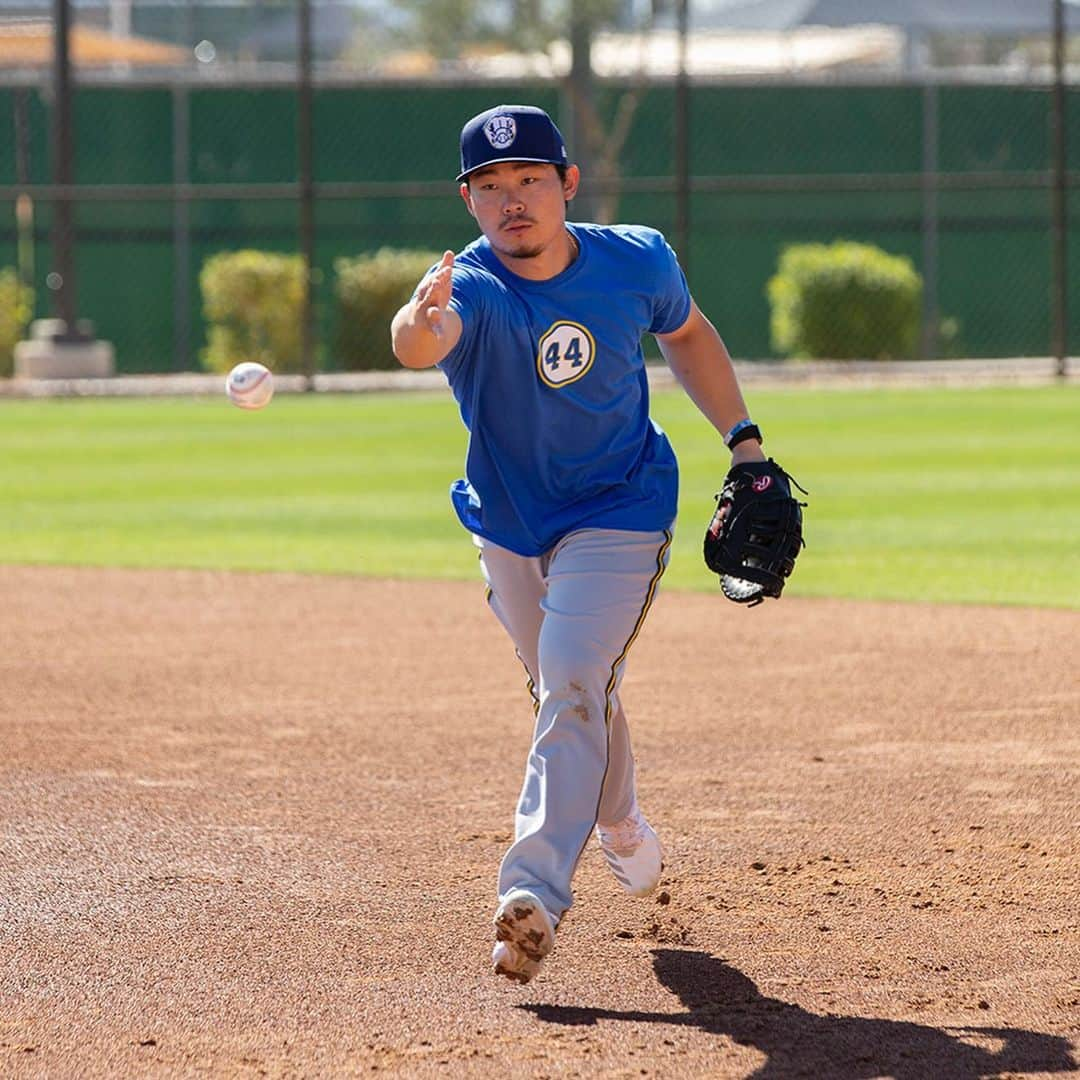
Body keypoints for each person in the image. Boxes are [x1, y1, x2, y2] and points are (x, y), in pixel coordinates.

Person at [391, 104, 767, 985]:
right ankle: (621, 817)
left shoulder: (636, 257)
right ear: (469, 200)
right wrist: (417, 318)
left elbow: (688, 334)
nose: (511, 200)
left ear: (567, 183)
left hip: (620, 506)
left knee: (568, 674)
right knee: (573, 683)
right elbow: (419, 342)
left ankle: (532, 896)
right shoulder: (468, 287)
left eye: (528, 180)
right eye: (490, 186)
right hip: (512, 523)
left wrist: (744, 442)